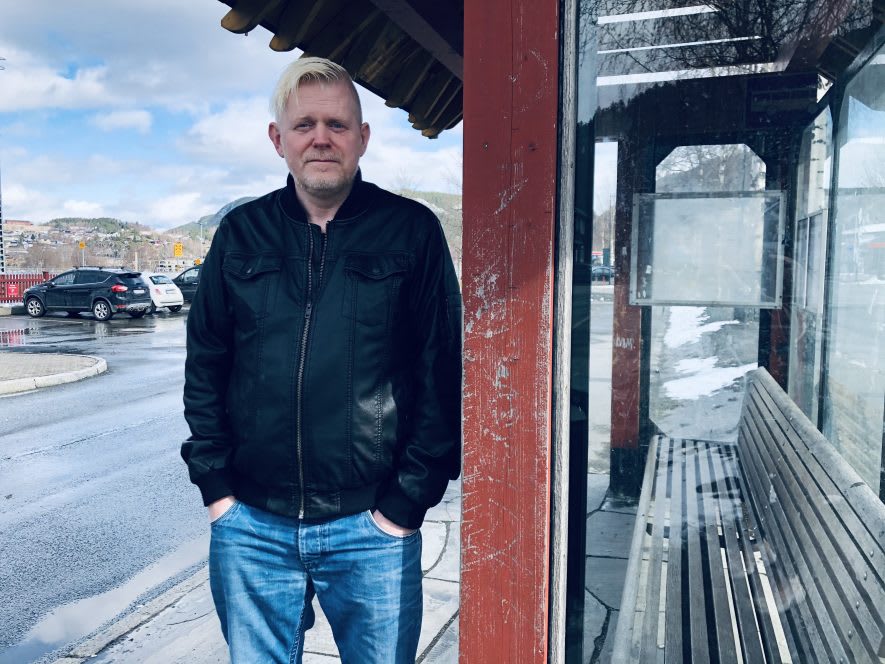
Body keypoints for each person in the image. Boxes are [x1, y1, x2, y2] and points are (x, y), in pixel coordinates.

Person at [181, 57, 462, 663]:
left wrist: (405, 504)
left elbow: (441, 374)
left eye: (337, 124)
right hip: (251, 526)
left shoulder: (411, 233)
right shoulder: (240, 234)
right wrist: (218, 490)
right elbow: (206, 363)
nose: (321, 138)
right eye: (304, 124)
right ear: (278, 139)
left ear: (363, 137)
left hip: (372, 526)